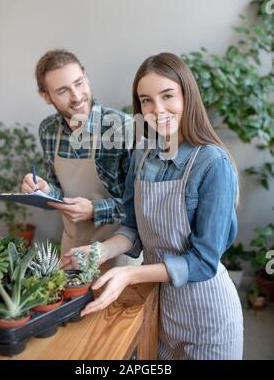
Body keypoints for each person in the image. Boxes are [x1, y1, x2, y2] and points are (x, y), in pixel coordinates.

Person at [61, 53, 244, 360]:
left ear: (187, 95)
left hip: (208, 317)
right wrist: (99, 252)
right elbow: (132, 228)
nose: (157, 110)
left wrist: (129, 275)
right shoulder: (142, 155)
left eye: (167, 95)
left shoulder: (213, 164)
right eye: (146, 100)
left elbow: (203, 262)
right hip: (159, 308)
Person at [21, 49, 133, 257]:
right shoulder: (48, 130)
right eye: (62, 91)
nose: (76, 97)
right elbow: (59, 193)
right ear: (46, 96)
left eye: (79, 83)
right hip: (72, 249)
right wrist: (45, 190)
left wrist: (93, 210)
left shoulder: (121, 128)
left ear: (86, 77)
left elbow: (140, 206)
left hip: (119, 251)